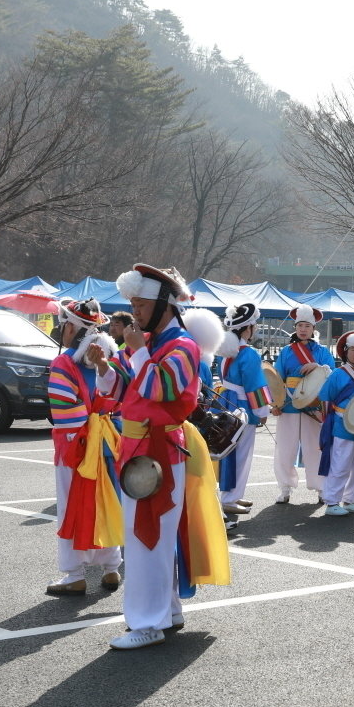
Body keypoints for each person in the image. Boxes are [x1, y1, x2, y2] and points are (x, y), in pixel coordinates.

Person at [94, 264, 230, 650]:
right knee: (151, 538)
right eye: (132, 304)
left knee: (146, 539)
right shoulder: (151, 343)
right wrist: (106, 368)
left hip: (157, 449)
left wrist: (136, 353)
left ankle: (147, 623)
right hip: (141, 447)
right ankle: (165, 612)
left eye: (140, 304)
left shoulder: (181, 346)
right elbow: (125, 389)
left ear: (162, 306)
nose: (133, 312)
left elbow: (164, 390)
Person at [45, 298, 123, 596]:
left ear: (71, 328)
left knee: (71, 508)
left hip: (75, 446)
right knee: (105, 502)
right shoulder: (108, 361)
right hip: (105, 442)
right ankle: (111, 568)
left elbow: (64, 417)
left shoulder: (64, 363)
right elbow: (115, 400)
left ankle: (74, 574)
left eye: (64, 324)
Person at [215, 303, 273, 517]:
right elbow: (255, 385)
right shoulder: (248, 354)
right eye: (254, 326)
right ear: (247, 328)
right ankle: (230, 498)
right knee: (242, 453)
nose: (255, 329)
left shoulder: (225, 351)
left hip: (227, 401)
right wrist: (262, 412)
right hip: (244, 406)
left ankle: (233, 495)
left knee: (230, 452)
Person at [273, 304, 334, 503]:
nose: (303, 329)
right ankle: (285, 487)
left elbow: (331, 375)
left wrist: (317, 366)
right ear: (295, 327)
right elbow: (276, 378)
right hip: (288, 405)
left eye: (307, 326)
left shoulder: (323, 352)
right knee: (285, 448)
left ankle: (321, 488)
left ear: (313, 328)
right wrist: (275, 403)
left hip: (313, 407)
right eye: (300, 325)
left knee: (315, 448)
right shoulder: (286, 351)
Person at [317, 332, 354, 516]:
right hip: (342, 425)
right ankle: (332, 502)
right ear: (346, 351)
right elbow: (325, 400)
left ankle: (351, 500)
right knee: (340, 464)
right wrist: (327, 424)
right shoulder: (337, 375)